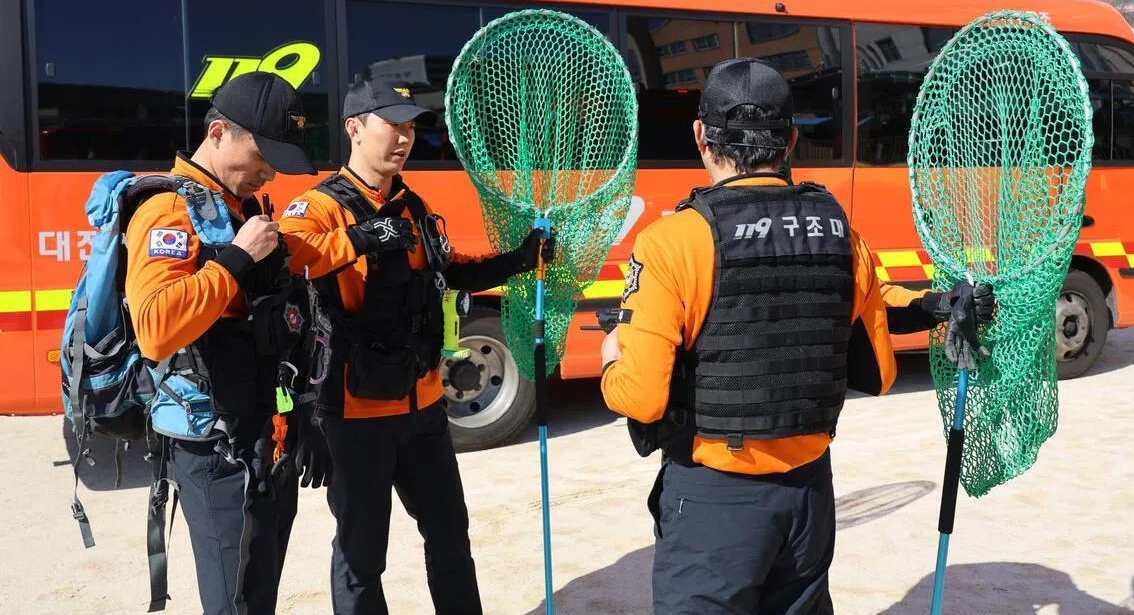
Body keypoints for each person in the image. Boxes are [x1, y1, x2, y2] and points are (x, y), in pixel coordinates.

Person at [598, 58, 992, 615]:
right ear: (791, 140)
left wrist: (610, 357)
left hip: (714, 502)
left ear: (701, 136)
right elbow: (875, 316)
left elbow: (641, 397)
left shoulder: (671, 241)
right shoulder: (839, 232)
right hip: (809, 496)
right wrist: (938, 305)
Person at [279, 75, 554, 615]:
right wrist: (359, 238)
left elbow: (447, 270)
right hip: (356, 414)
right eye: (392, 125)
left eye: (410, 128)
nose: (404, 138)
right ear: (354, 129)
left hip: (425, 406)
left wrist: (517, 261)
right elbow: (288, 256)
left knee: (451, 536)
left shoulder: (412, 205)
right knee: (361, 556)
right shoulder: (318, 207)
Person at [124, 71, 327, 615]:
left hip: (262, 434)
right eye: (263, 155)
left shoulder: (238, 208)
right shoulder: (167, 211)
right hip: (215, 449)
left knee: (257, 595)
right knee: (234, 601)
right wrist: (237, 259)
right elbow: (156, 328)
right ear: (217, 133)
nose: (270, 172)